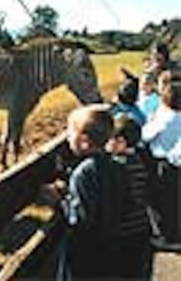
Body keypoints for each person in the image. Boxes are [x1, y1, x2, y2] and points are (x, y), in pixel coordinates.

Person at [57, 104, 129, 279]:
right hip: (113, 246)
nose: (67, 137)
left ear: (83, 140)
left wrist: (62, 201)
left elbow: (80, 219)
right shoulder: (117, 166)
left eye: (70, 132)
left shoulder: (83, 173)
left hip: (85, 250)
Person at [105, 114, 153, 278]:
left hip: (123, 230)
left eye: (109, 139)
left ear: (120, 142)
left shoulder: (117, 166)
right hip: (140, 227)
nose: (107, 143)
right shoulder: (139, 159)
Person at [142, 77, 181, 243]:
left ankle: (166, 236)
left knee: (162, 201)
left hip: (162, 164)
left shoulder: (163, 119)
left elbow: (145, 135)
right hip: (177, 164)